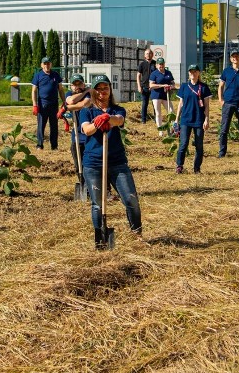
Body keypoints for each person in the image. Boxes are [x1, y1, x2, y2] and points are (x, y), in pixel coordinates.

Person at [78, 74, 143, 249]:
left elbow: (120, 120)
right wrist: (98, 122)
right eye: (98, 89)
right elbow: (87, 130)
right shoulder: (87, 111)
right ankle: (101, 236)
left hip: (117, 162)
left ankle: (137, 235)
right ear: (93, 91)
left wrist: (108, 118)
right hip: (93, 163)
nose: (101, 92)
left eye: (105, 88)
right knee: (98, 204)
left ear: (110, 90)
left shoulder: (117, 109)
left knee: (131, 200)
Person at [174, 64, 212, 174]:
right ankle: (179, 166)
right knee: (183, 143)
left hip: (199, 120)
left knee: (199, 145)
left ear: (199, 73)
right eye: (191, 71)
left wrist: (207, 119)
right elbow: (180, 104)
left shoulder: (204, 87)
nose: (193, 73)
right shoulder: (184, 86)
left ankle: (197, 168)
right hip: (186, 119)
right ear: (188, 73)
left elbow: (207, 105)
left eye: (195, 71)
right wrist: (177, 119)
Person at [217, 50, 239, 159]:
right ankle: (222, 152)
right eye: (233, 57)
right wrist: (220, 99)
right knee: (224, 129)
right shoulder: (226, 71)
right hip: (228, 103)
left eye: (237, 56)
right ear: (230, 59)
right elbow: (220, 86)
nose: (235, 58)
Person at [62, 74, 92, 184]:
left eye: (79, 84)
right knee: (78, 164)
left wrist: (68, 108)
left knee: (91, 164)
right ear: (71, 86)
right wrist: (83, 93)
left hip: (89, 135)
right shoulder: (69, 94)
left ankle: (93, 186)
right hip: (77, 137)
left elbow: (85, 104)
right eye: (75, 84)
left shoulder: (89, 94)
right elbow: (70, 101)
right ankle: (83, 184)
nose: (77, 86)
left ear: (83, 84)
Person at [31, 56, 65, 150]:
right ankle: (39, 145)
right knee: (41, 125)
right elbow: (34, 91)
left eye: (48, 63)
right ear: (42, 65)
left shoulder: (55, 75)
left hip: (54, 104)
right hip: (42, 104)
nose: (47, 65)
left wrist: (64, 102)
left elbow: (61, 90)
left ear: (51, 64)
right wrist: (35, 105)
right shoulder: (38, 75)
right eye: (45, 63)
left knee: (54, 126)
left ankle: (54, 146)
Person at [148, 57, 175, 134]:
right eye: (159, 64)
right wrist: (162, 85)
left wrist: (171, 86)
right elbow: (151, 85)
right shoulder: (154, 74)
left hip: (166, 95)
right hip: (156, 96)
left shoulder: (168, 73)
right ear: (156, 65)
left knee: (171, 111)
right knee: (158, 113)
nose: (161, 66)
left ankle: (172, 128)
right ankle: (160, 130)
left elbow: (172, 83)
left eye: (162, 64)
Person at [136, 48, 156, 123]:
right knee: (145, 104)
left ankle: (156, 119)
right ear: (144, 55)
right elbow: (138, 75)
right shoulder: (142, 64)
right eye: (147, 53)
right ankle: (143, 120)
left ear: (152, 55)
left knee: (155, 104)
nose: (148, 55)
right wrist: (139, 86)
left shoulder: (155, 63)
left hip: (154, 87)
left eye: (150, 53)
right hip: (144, 87)